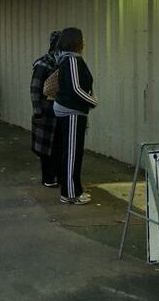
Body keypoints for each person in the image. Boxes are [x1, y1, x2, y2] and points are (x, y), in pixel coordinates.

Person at [53, 27, 97, 205]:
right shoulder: (72, 60)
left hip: (70, 110)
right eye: (82, 38)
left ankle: (73, 189)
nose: (84, 41)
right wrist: (92, 101)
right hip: (72, 111)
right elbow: (76, 88)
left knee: (71, 151)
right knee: (72, 153)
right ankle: (70, 193)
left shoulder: (67, 59)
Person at [31, 31, 62, 187]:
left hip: (59, 111)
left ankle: (57, 175)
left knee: (58, 145)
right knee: (47, 148)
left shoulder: (63, 62)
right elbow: (35, 89)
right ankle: (48, 177)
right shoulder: (44, 64)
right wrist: (38, 111)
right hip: (47, 111)